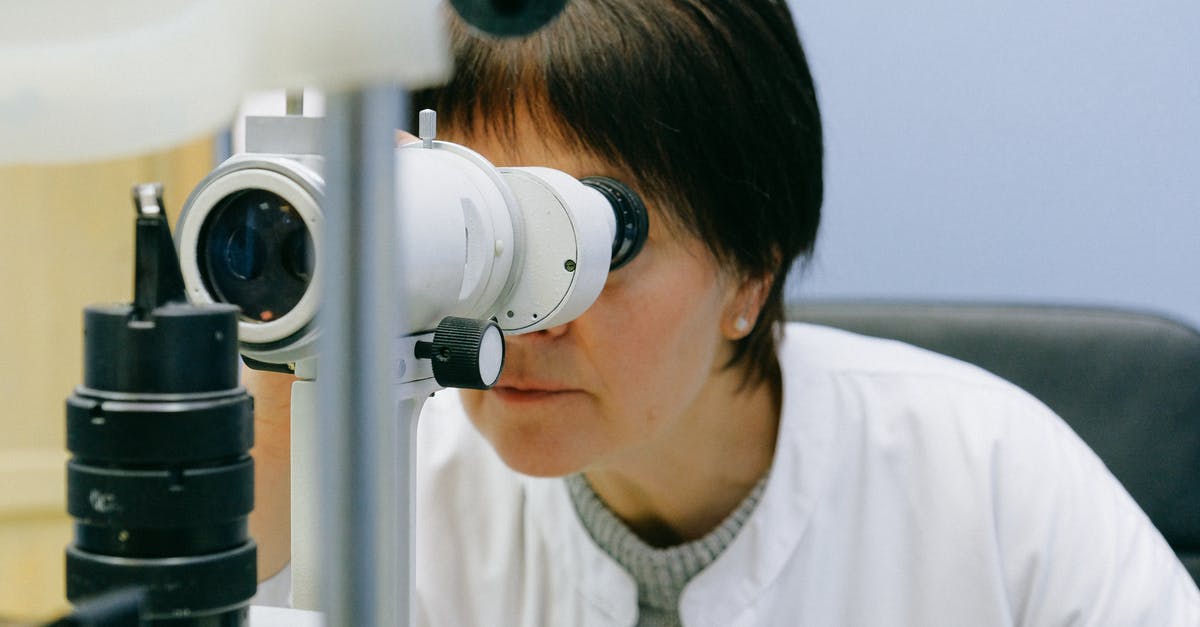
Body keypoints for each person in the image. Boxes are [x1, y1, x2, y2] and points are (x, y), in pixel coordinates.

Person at [247, 0, 1200, 624]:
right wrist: (282, 452)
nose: (523, 319)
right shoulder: (390, 490)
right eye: (481, 238)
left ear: (753, 271)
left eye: (592, 242)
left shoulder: (994, 482)